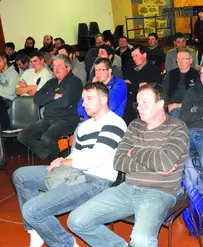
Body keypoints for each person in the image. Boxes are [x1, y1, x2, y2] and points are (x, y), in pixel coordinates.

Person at [67, 83, 189, 247]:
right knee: (77, 220)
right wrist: (155, 167)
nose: (139, 108)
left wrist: (135, 151)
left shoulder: (177, 128)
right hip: (128, 187)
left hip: (159, 192)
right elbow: (118, 161)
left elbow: (164, 162)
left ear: (161, 104)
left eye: (145, 103)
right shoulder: (134, 126)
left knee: (141, 240)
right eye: (138, 103)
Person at [13, 82, 127, 247]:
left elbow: (95, 159)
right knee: (21, 175)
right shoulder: (84, 125)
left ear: (103, 99)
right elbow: (76, 153)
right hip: (74, 172)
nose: (83, 103)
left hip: (95, 180)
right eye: (82, 99)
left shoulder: (114, 123)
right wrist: (61, 162)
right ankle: (36, 230)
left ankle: (65, 244)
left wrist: (65, 162)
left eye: (89, 98)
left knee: (32, 211)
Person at [17, 55, 83, 160]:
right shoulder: (51, 82)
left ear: (68, 68)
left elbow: (65, 102)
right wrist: (53, 96)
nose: (56, 68)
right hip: (48, 119)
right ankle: (51, 157)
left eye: (60, 65)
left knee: (47, 139)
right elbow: (37, 98)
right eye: (54, 66)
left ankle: (60, 163)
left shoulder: (75, 82)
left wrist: (47, 101)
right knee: (22, 136)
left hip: (66, 120)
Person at [122, 45, 161, 124]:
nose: (134, 59)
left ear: (144, 55)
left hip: (146, 101)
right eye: (133, 56)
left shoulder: (153, 69)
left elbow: (153, 88)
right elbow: (125, 85)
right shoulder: (128, 68)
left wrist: (132, 85)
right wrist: (138, 85)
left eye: (136, 55)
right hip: (129, 100)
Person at [163, 48, 199, 118]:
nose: (180, 61)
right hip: (171, 106)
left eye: (183, 59)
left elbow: (198, 97)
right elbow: (164, 91)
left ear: (190, 61)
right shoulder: (171, 74)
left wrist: (179, 105)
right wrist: (168, 105)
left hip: (188, 108)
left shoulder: (196, 75)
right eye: (178, 59)